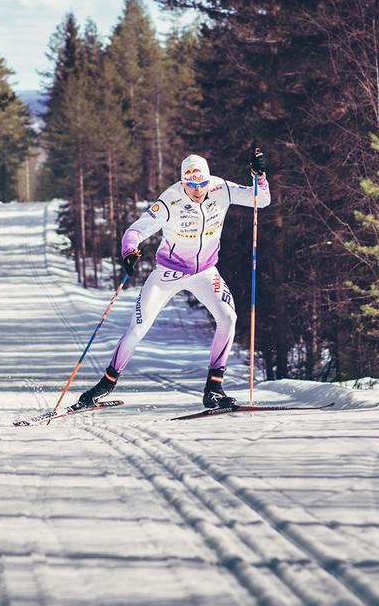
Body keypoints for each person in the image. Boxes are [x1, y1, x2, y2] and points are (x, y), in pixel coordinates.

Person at [77, 147, 270, 410]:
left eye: (202, 183)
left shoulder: (220, 188)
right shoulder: (170, 201)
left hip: (205, 272)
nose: (198, 189)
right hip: (168, 273)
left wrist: (259, 177)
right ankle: (105, 385)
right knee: (138, 328)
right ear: (183, 183)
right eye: (191, 185)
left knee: (228, 317)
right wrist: (129, 251)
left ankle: (213, 388)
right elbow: (134, 231)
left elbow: (262, 200)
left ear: (208, 179)